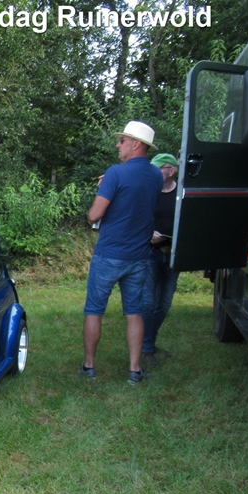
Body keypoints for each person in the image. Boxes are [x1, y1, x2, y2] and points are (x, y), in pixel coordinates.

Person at [80, 121, 164, 385]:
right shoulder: (157, 176)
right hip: (139, 257)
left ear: (136, 144)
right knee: (134, 312)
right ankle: (134, 370)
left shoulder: (115, 173)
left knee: (94, 310)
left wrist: (104, 188)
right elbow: (136, 201)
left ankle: (89, 367)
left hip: (109, 254)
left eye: (123, 140)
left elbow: (95, 214)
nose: (118, 144)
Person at [142, 153, 180, 367]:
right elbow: (136, 218)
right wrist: (148, 233)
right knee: (147, 303)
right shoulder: (149, 192)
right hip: (150, 253)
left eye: (157, 168)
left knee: (163, 304)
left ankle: (149, 342)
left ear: (171, 171)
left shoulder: (182, 195)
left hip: (173, 255)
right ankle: (146, 348)